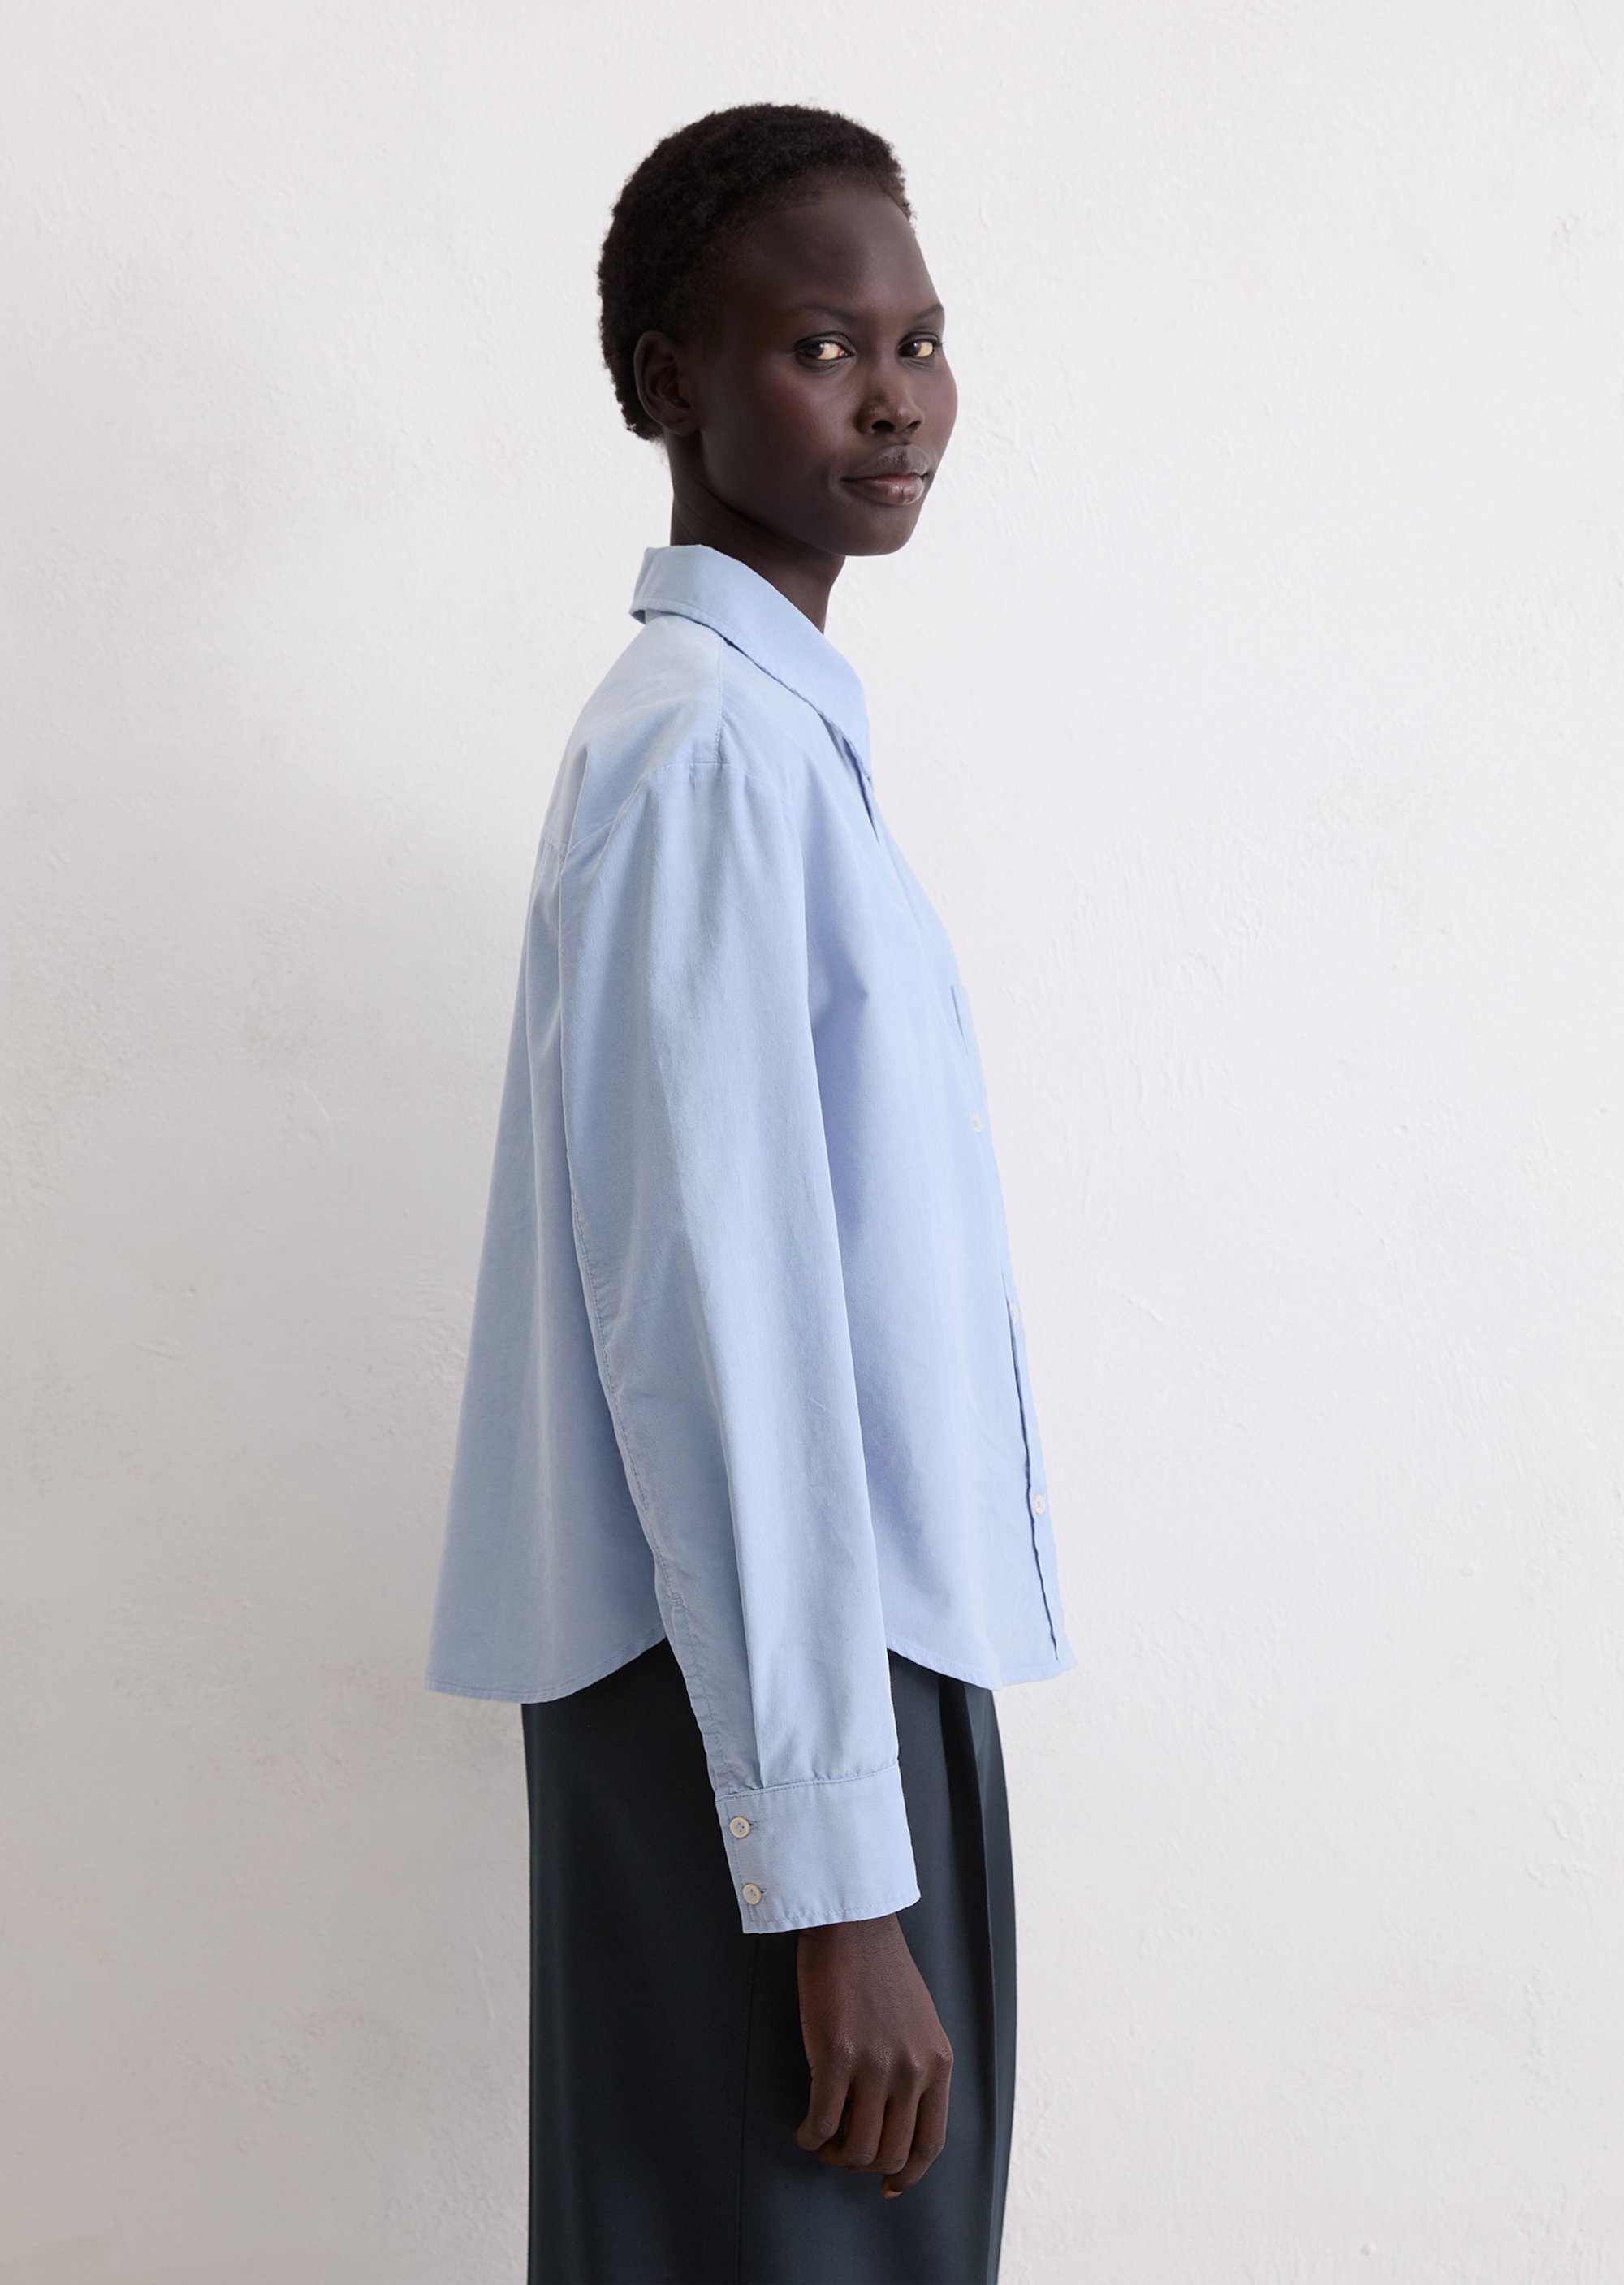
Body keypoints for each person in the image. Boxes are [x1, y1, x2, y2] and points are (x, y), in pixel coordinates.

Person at [425, 101, 1076, 2285]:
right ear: (668, 382)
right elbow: (726, 1334)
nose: (894, 397)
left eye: (919, 340)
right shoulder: (705, 754)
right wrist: (832, 1882)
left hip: (820, 1687)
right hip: (772, 1712)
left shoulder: (766, 737)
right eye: (820, 346)